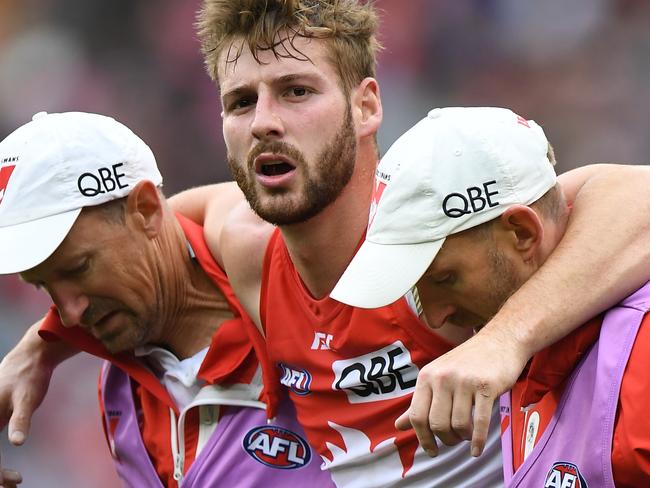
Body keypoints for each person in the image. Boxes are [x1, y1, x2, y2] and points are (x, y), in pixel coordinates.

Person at [4, 1, 650, 486]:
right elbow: (143, 229)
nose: (265, 122)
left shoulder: (437, 244)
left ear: (367, 106)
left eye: (296, 91)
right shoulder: (248, 250)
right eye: (240, 102)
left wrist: (504, 340)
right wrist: (45, 340)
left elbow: (628, 200)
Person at [0, 111, 332, 487]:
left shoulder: (301, 293)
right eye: (42, 286)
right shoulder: (118, 386)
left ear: (147, 210)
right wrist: (39, 346)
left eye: (79, 268)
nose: (69, 315)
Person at [331, 106, 650, 486]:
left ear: (521, 233)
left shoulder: (638, 354)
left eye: (446, 278)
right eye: (417, 291)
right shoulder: (520, 358)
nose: (435, 318)